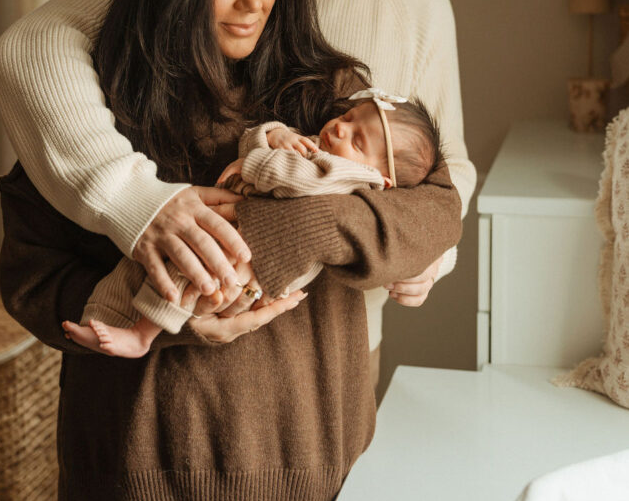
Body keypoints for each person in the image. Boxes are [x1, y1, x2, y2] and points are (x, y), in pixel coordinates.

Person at [0, 0, 460, 501]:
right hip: (132, 479)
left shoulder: (330, 95)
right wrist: (164, 315)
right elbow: (30, 281)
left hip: (296, 475)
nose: (253, 2)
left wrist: (294, 224)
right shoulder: (86, 113)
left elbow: (434, 210)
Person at [0, 0, 476, 387]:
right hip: (161, 381)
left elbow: (444, 167)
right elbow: (29, 49)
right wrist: (138, 202)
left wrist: (425, 252)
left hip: (328, 362)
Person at [63, 92, 444, 358]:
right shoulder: (327, 149)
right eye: (347, 117)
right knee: (145, 261)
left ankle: (141, 335)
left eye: (357, 139)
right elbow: (255, 143)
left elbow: (298, 180)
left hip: (262, 255)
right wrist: (273, 134)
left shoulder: (351, 178)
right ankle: (102, 319)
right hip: (247, 229)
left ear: (382, 179)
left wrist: (255, 163)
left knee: (186, 271)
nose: (340, 129)